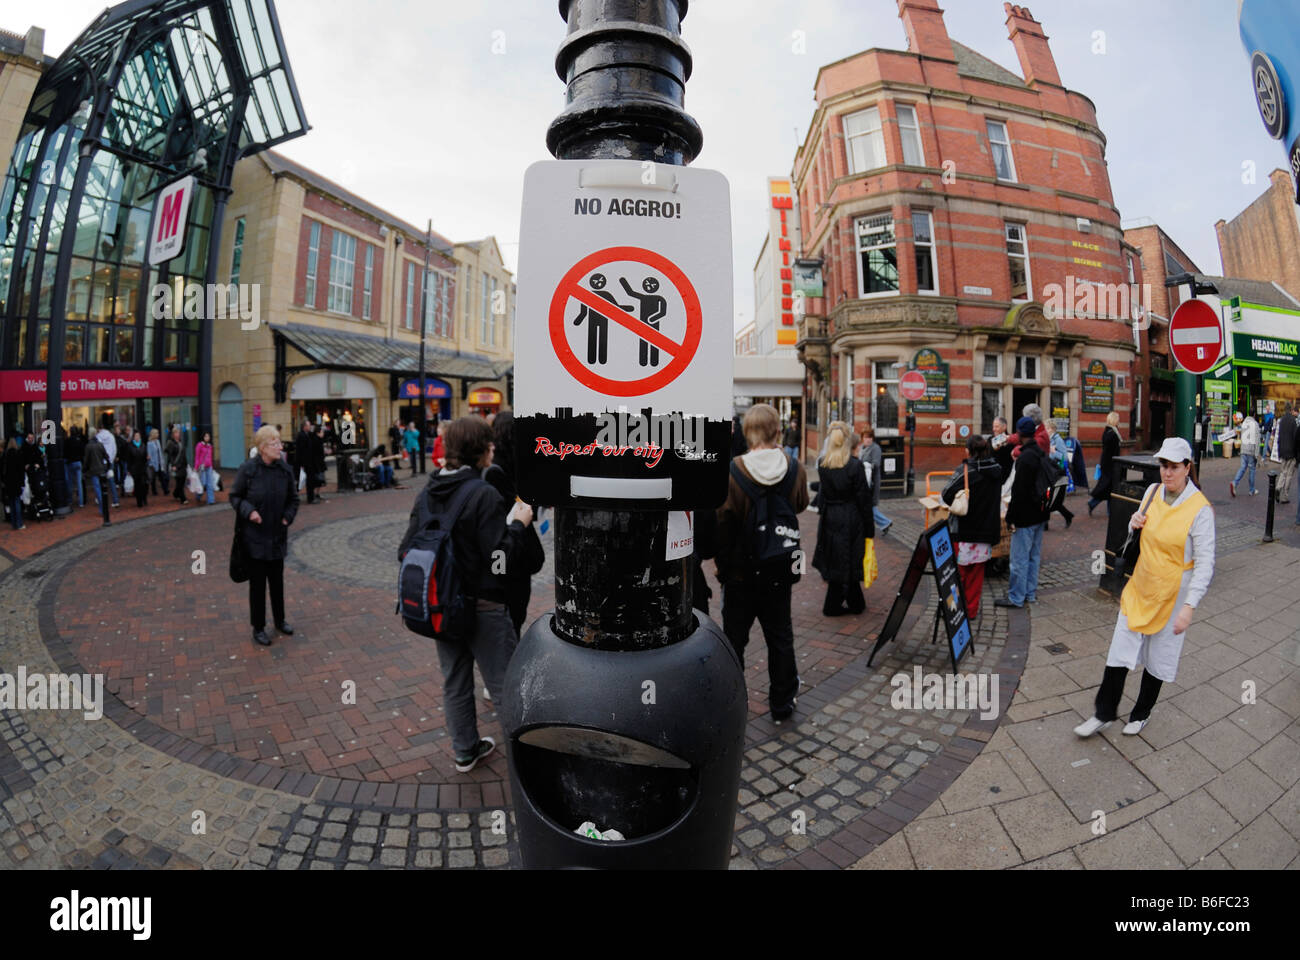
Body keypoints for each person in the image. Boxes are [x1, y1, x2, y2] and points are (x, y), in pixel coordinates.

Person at [398, 416, 535, 772]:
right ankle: (527, 763)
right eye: (488, 444)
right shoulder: (484, 494)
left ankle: (465, 750)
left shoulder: (427, 493)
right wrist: (518, 525)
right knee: (504, 684)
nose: (493, 449)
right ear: (479, 450)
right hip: (485, 606)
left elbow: (405, 550)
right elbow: (500, 560)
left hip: (443, 605)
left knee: (455, 680)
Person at [1074, 438, 1215, 737]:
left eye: (1174, 467)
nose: (1167, 473)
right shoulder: (1152, 492)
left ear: (1188, 468)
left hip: (1173, 593)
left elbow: (1205, 563)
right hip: (1142, 584)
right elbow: (1134, 535)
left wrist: (1189, 607)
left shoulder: (1200, 510)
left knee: (1158, 656)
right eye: (1164, 465)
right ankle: (1103, 712)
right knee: (1119, 649)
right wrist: (1133, 523)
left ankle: (1141, 713)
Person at [715, 403, 809, 724]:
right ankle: (782, 702)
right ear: (776, 430)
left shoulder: (733, 471)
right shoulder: (793, 466)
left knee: (734, 641)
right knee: (780, 637)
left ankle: (732, 703)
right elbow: (800, 504)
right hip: (779, 570)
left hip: (741, 573)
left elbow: (723, 523)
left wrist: (723, 568)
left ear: (748, 431)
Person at [230, 425, 299, 646]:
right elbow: (235, 497)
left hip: (277, 535)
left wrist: (288, 517)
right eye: (274, 443)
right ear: (262, 447)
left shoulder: (285, 470)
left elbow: (294, 499)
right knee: (258, 586)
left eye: (279, 442)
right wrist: (249, 511)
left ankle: (280, 620)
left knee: (277, 583)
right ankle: (258, 627)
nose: (280, 446)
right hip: (255, 538)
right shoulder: (248, 470)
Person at [480, 411, 545, 636]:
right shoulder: (498, 471)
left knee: (514, 614)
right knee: (512, 614)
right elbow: (514, 506)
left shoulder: (506, 465)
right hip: (509, 550)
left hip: (510, 549)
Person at [812, 421, 872, 616]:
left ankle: (854, 601)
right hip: (851, 516)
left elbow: (822, 495)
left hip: (831, 515)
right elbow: (864, 499)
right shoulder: (855, 466)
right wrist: (869, 529)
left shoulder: (823, 464)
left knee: (836, 556)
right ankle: (837, 605)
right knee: (851, 557)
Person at [941, 435, 1002, 621]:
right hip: (986, 531)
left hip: (965, 530)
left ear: (968, 450)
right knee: (976, 575)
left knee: (957, 574)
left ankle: (954, 610)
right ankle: (971, 611)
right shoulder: (997, 470)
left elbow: (946, 494)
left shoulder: (966, 470)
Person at [996, 417, 1049, 609]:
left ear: (1019, 434)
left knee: (1018, 560)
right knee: (1034, 557)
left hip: (1025, 517)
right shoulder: (1040, 453)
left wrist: (1011, 518)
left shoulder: (1024, 458)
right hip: (1040, 513)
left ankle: (1016, 597)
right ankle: (1030, 593)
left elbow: (1018, 492)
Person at [859, 425, 892, 535]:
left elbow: (876, 464)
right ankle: (884, 523)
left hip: (872, 483)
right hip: (863, 482)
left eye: (870, 437)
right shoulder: (861, 448)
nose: (868, 440)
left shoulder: (875, 448)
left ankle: (885, 522)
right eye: (865, 437)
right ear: (862, 438)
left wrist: (866, 466)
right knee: (867, 506)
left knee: (869, 506)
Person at [1088, 411, 1122, 515]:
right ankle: (1095, 504)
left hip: (1107, 464)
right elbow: (1113, 452)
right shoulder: (1113, 434)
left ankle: (1098, 506)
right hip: (1110, 465)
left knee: (1108, 488)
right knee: (1108, 488)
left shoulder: (1108, 432)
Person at [1043, 418, 1074, 529]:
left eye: (1046, 428)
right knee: (1047, 497)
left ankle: (1067, 515)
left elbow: (1064, 458)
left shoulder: (1058, 440)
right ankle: (1045, 523)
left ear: (1051, 429)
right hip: (1049, 472)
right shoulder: (1048, 439)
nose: (1044, 430)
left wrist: (1053, 451)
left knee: (1051, 499)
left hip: (1056, 473)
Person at [83, 429, 112, 526]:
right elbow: (106, 456)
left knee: (98, 490)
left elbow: (86, 460)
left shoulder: (88, 446)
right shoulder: (100, 444)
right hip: (101, 469)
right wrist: (108, 465)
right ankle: (104, 508)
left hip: (94, 470)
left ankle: (103, 509)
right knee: (102, 488)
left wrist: (84, 469)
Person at [1229, 410, 1259, 497]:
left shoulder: (1244, 423)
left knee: (1242, 467)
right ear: (1254, 415)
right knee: (1252, 469)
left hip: (1243, 449)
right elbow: (1257, 439)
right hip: (1251, 450)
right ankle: (1252, 490)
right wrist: (1256, 454)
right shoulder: (1255, 424)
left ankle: (1234, 483)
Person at [1274, 403, 1296, 504]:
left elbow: (1279, 437)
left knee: (1283, 472)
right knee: (1289, 474)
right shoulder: (1293, 421)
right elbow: (1295, 437)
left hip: (1282, 450)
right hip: (1291, 451)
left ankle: (1278, 487)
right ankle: (1285, 496)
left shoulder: (1281, 421)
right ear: (1291, 409)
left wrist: (1279, 451)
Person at [95, 424, 121, 507]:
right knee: (111, 482)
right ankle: (115, 500)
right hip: (110, 462)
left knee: (99, 482)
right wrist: (111, 460)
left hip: (101, 462)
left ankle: (99, 499)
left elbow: (97, 450)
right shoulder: (111, 436)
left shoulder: (98, 437)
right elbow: (114, 449)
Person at [3, 438, 25, 530]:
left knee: (11, 503)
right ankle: (19, 523)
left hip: (8, 482)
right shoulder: (17, 454)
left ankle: (13, 524)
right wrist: (22, 482)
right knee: (17, 502)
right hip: (16, 482)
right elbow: (21, 470)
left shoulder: (5, 455)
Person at [124, 431, 149, 508]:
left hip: (143, 468)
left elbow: (145, 456)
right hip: (134, 469)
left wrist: (147, 458)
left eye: (138, 436)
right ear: (133, 437)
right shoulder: (130, 446)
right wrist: (128, 469)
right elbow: (128, 459)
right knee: (138, 485)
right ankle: (139, 501)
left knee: (144, 485)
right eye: (136, 436)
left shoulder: (143, 445)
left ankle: (144, 498)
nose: (137, 437)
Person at [64, 426, 86, 508]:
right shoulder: (79, 441)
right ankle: (81, 502)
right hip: (78, 462)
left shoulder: (68, 441)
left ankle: (70, 500)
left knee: (70, 483)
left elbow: (65, 452)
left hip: (70, 462)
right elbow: (83, 452)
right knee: (79, 483)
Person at [989, 416, 1015, 482]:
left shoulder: (1011, 440)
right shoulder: (990, 439)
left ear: (1004, 427)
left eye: (996, 426)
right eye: (993, 426)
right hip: (990, 477)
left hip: (1005, 478)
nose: (994, 429)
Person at [168, 426, 189, 505]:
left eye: (178, 433)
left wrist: (186, 464)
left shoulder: (180, 443)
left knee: (182, 481)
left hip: (182, 465)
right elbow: (170, 456)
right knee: (179, 482)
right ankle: (183, 499)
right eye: (176, 433)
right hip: (176, 466)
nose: (178, 434)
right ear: (173, 434)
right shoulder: (171, 443)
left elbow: (183, 455)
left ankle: (176, 493)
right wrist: (173, 465)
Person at [195, 431, 216, 505]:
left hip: (209, 467)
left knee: (210, 484)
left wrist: (212, 467)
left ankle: (211, 500)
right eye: (206, 436)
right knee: (202, 483)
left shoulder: (210, 446)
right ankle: (198, 495)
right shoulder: (199, 445)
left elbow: (210, 457)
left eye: (208, 436)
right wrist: (196, 467)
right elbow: (197, 457)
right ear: (203, 437)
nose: (208, 438)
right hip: (202, 467)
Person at [147, 428, 168, 496]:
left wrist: (162, 461)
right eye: (157, 433)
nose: (158, 434)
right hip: (153, 463)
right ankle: (154, 491)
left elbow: (160, 452)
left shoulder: (158, 442)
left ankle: (165, 490)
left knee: (162, 477)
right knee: (153, 478)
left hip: (159, 462)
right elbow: (149, 454)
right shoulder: (149, 443)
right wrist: (151, 463)